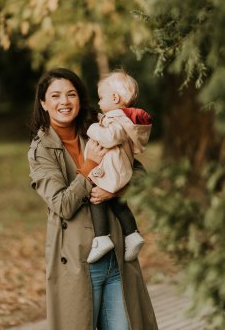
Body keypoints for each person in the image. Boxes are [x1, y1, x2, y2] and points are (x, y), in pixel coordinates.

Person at [28, 68, 158, 330]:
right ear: (43, 103)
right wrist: (88, 169)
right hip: (77, 261)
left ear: (80, 97)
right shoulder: (41, 150)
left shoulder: (99, 128)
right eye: (55, 96)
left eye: (71, 94)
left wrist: (114, 190)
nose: (64, 102)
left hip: (116, 254)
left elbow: (140, 176)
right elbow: (62, 204)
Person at [85, 70, 152, 264]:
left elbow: (109, 137)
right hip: (119, 169)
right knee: (118, 204)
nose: (98, 102)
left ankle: (101, 238)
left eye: (101, 97)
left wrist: (92, 127)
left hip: (112, 170)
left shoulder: (118, 119)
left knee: (96, 197)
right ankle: (132, 235)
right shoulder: (122, 119)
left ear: (114, 97)